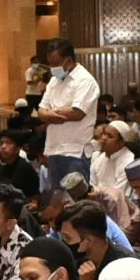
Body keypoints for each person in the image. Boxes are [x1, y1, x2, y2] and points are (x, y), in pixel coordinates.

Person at [36, 37, 101, 190]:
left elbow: (77, 113)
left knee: (76, 201)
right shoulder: (54, 81)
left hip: (76, 151)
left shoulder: (85, 80)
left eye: (55, 63)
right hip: (54, 149)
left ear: (68, 60)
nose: (52, 68)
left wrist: (51, 113)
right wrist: (52, 114)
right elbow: (40, 112)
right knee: (58, 200)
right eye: (50, 63)